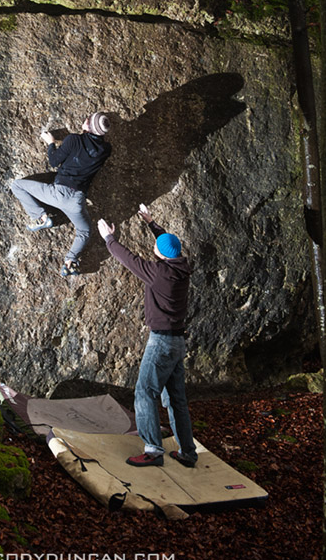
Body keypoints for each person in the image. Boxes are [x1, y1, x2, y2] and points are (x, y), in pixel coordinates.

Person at [97, 204, 197, 468]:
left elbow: (128, 259)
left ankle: (153, 450)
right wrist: (152, 223)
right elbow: (168, 244)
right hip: (177, 341)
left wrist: (109, 238)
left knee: (144, 393)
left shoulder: (158, 274)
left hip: (162, 342)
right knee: (176, 399)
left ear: (160, 254)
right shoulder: (181, 268)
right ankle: (187, 452)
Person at [11, 112, 111, 277]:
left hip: (58, 193)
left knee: (17, 186)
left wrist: (51, 143)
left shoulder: (74, 140)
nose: (84, 119)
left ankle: (42, 217)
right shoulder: (106, 149)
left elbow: (54, 161)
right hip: (77, 201)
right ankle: (70, 261)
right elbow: (85, 150)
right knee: (84, 231)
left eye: (87, 119)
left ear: (90, 127)